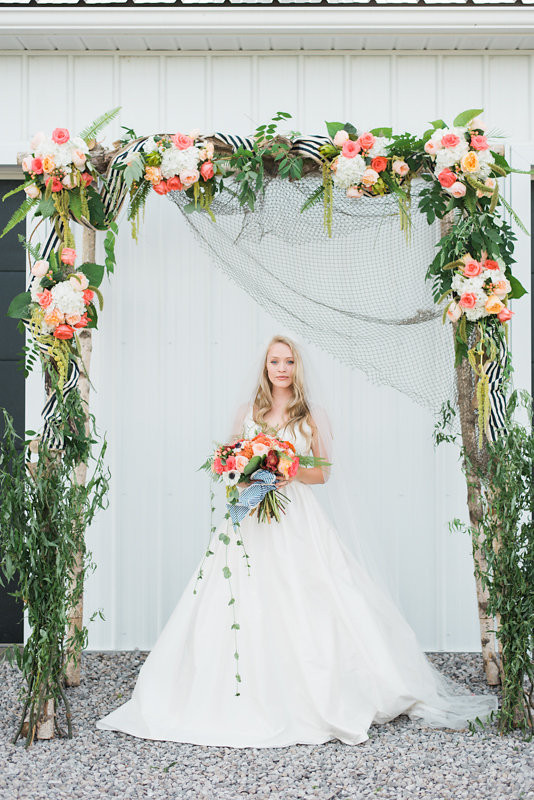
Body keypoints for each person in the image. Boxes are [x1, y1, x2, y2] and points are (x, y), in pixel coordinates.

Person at [96, 334, 498, 747]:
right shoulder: (247, 412)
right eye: (275, 361)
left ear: (297, 367)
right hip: (251, 515)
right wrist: (245, 472)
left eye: (289, 361)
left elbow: (323, 473)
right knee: (238, 596)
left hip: (297, 515)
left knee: (311, 593)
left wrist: (288, 471)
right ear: (265, 367)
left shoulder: (312, 416)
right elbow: (230, 466)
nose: (282, 369)